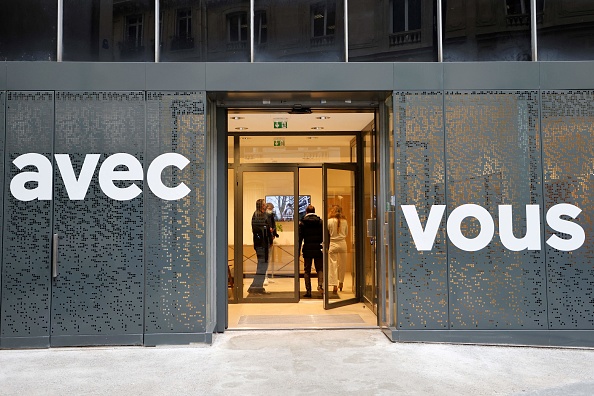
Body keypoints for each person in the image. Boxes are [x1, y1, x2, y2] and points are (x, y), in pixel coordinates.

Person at [248, 198, 273, 295]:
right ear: (261, 205)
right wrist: (268, 230)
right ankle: (255, 287)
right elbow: (260, 229)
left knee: (262, 266)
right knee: (262, 267)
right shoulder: (258, 215)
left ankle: (257, 287)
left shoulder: (261, 214)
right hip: (261, 245)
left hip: (263, 244)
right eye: (264, 203)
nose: (266, 205)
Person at [298, 204, 323, 297]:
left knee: (307, 271)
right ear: (314, 211)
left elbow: (300, 239)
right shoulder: (320, 222)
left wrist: (298, 251)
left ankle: (308, 291)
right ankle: (320, 286)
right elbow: (324, 236)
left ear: (306, 212)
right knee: (320, 269)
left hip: (307, 248)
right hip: (318, 248)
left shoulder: (302, 223)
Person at [327, 205, 347, 294]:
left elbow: (327, 234)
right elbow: (346, 233)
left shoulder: (329, 221)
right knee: (342, 264)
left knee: (333, 265)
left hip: (333, 243)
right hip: (343, 243)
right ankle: (341, 282)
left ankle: (334, 285)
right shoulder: (345, 221)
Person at [263, 202, 280, 286]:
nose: (271, 210)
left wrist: (274, 234)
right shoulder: (263, 216)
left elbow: (274, 226)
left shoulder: (271, 216)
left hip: (270, 240)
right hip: (265, 241)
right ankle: (264, 277)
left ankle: (266, 276)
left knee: (268, 259)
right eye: (270, 208)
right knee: (265, 260)